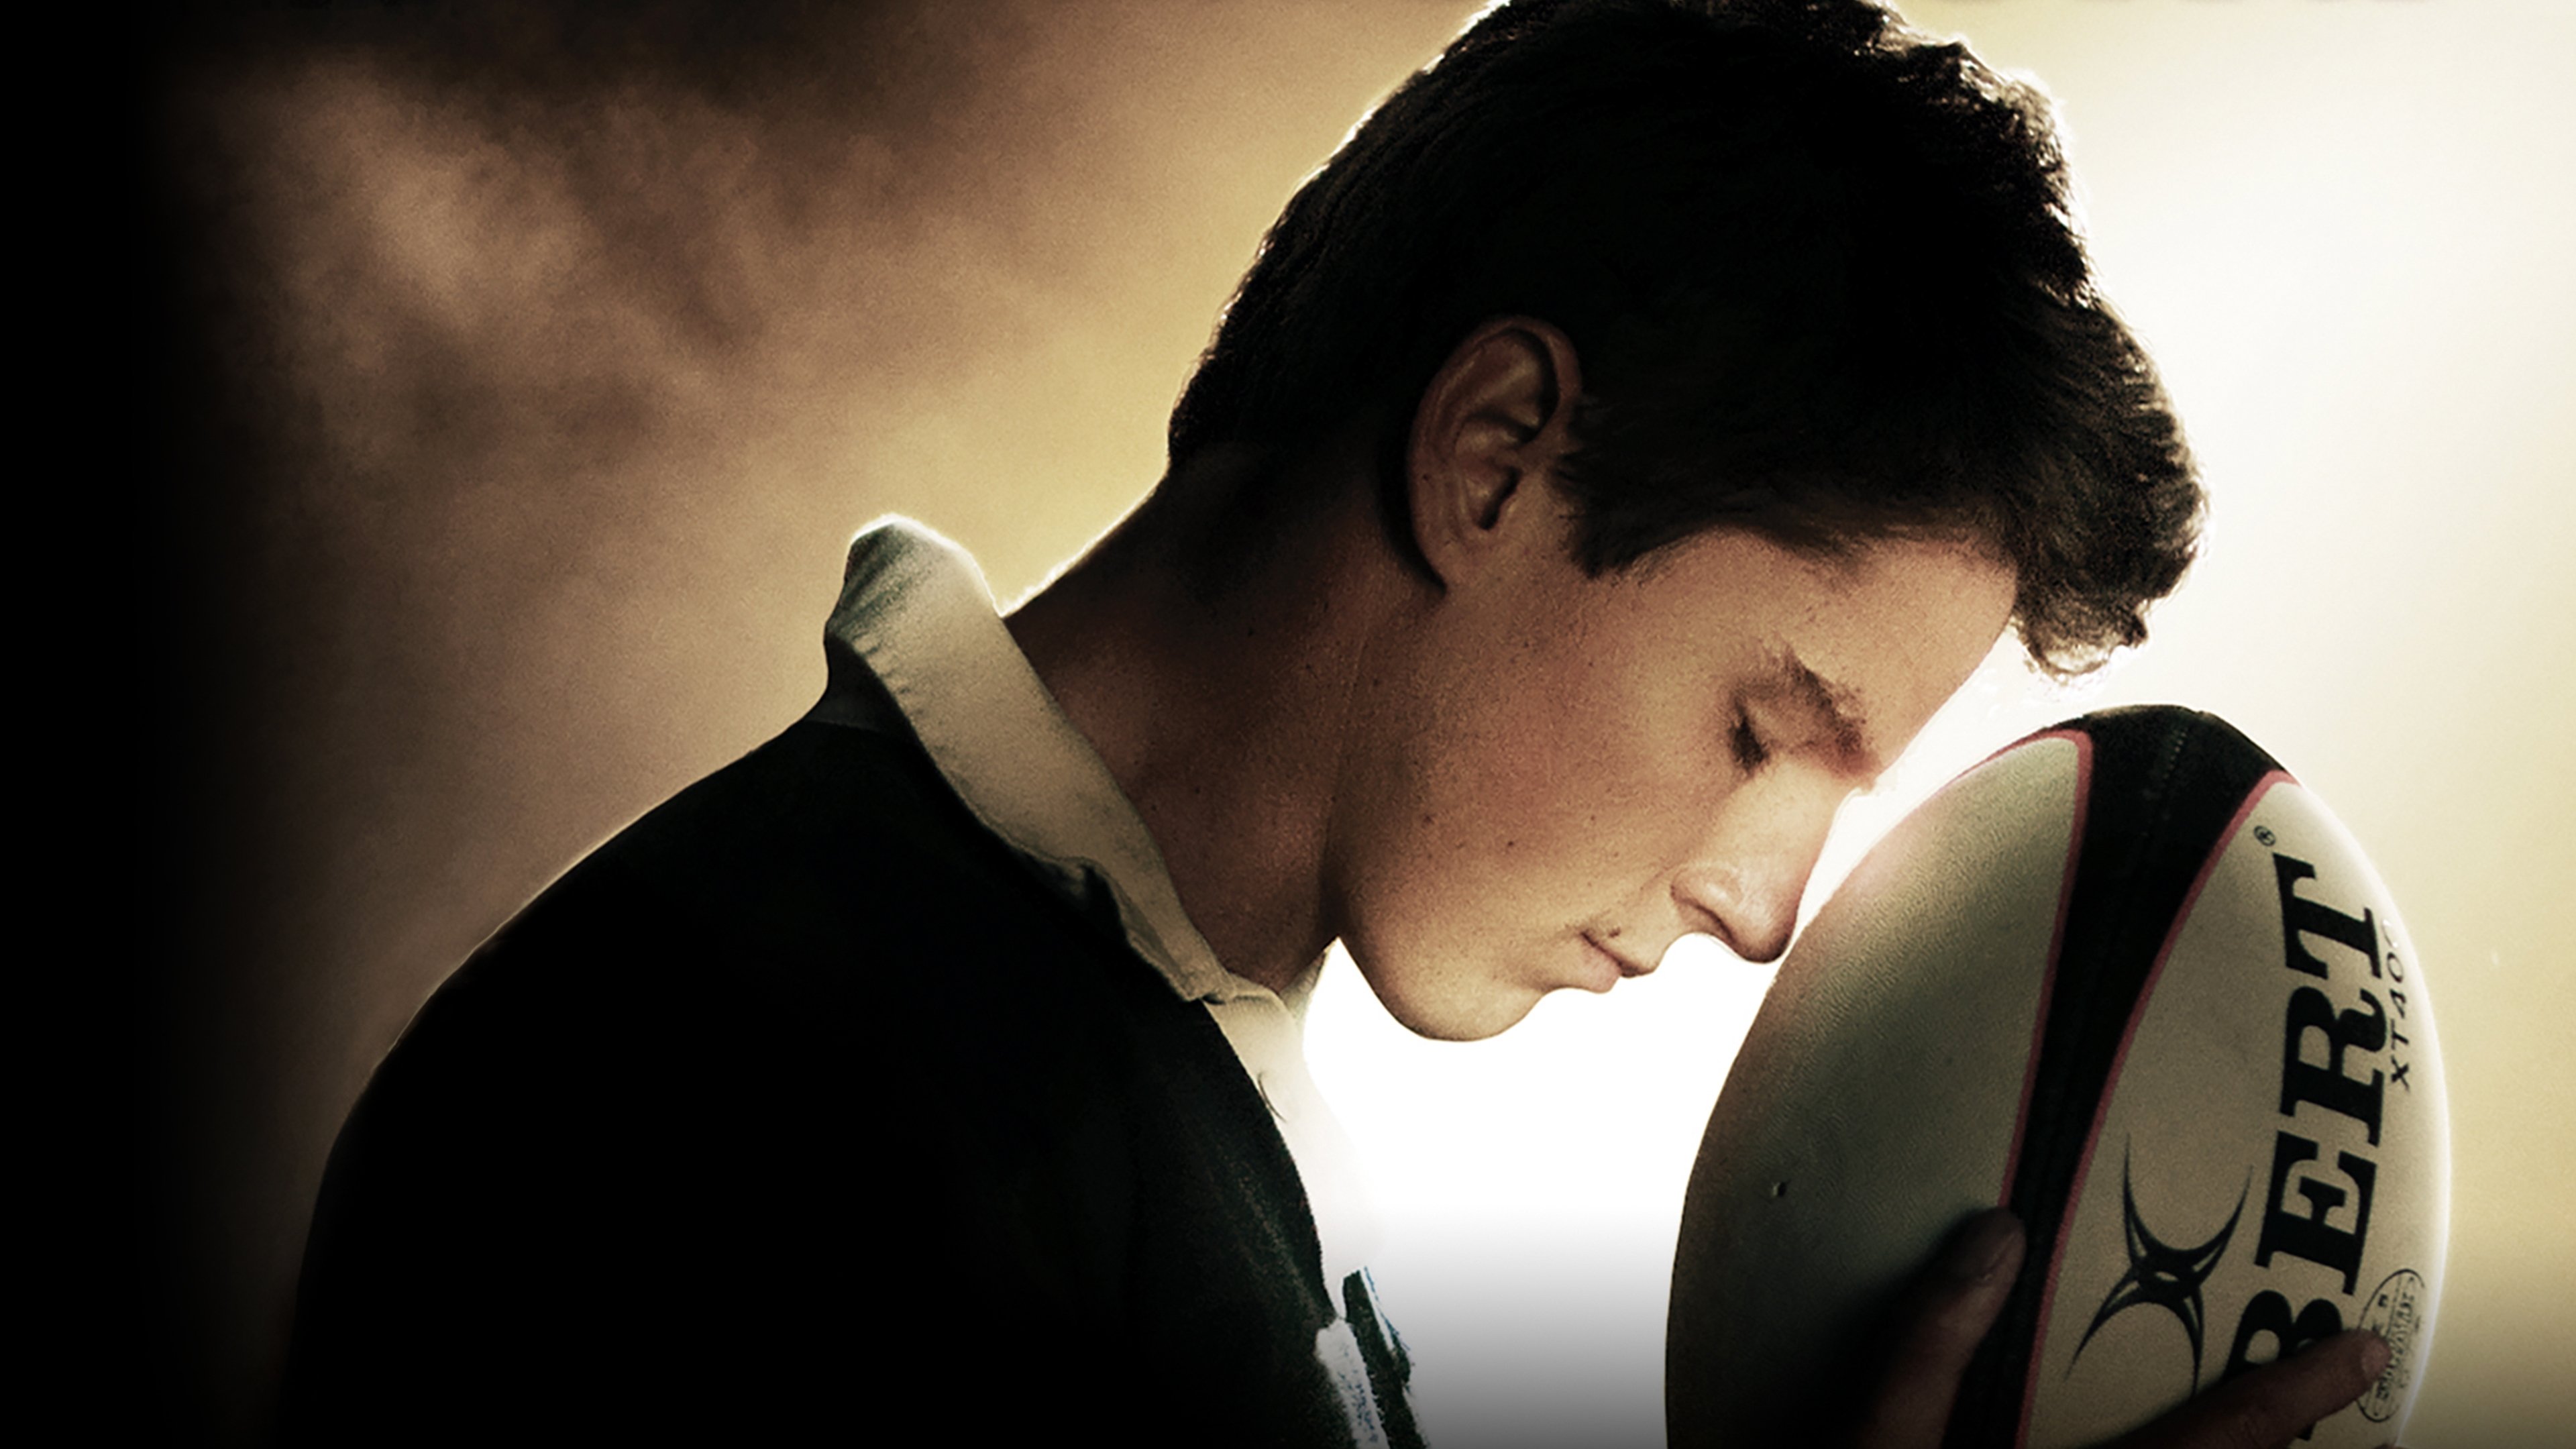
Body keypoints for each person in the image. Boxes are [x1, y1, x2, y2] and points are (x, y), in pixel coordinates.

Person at [279, 1, 2391, 1444]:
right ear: (1496, 456)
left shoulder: (1145, 1087)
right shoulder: (720, 1107)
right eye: (1768, 730)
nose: (1767, 912)